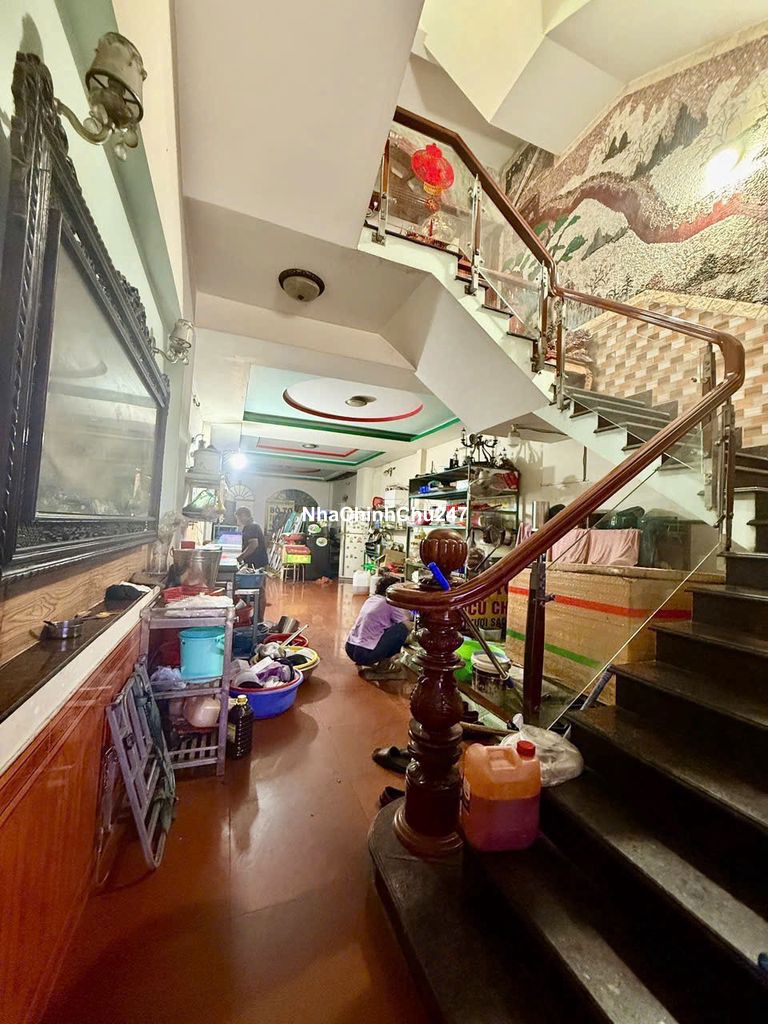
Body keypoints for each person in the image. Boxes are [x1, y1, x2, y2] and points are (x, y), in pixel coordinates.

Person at [345, 575, 412, 679]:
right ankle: (384, 666)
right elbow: (408, 625)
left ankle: (371, 660)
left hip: (350, 648)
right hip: (365, 654)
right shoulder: (389, 603)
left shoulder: (371, 600)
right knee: (401, 629)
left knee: (389, 628)